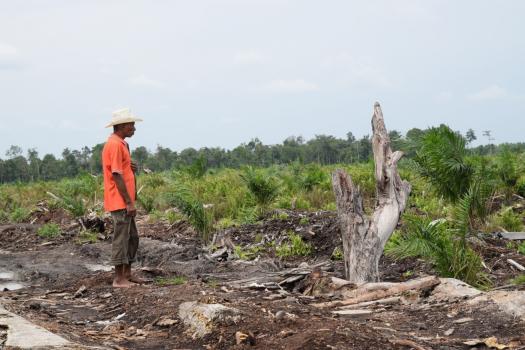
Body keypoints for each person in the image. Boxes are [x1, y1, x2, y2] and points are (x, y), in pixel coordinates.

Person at [102, 108, 146, 288]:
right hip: (120, 201)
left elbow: (122, 169)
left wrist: (130, 167)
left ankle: (127, 273)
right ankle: (119, 279)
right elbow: (116, 175)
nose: (134, 128)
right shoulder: (114, 145)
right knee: (121, 238)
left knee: (132, 237)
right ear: (121, 126)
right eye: (131, 125)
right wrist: (128, 202)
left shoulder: (122, 144)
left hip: (125, 201)